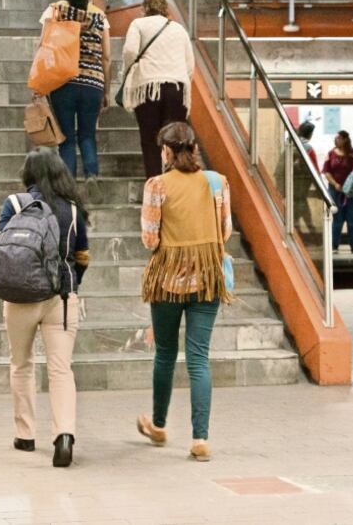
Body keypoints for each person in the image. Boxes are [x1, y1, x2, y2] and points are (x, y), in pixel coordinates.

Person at [136, 122, 232, 462]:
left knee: (165, 353)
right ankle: (200, 438)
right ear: (193, 148)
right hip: (207, 280)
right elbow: (225, 231)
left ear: (166, 151)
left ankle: (159, 426)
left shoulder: (157, 185)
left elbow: (150, 238)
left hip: (168, 282)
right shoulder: (218, 183)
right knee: (198, 358)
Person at [0, 148, 89, 468]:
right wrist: (72, 283)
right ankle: (64, 435)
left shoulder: (15, 204)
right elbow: (82, 256)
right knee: (61, 369)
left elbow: (0, 247)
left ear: (28, 174)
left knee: (21, 364)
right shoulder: (73, 210)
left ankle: (26, 434)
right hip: (60, 298)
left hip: (19, 297)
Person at [39, 0, 111, 203]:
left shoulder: (55, 11)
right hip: (92, 84)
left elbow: (43, 46)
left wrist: (41, 83)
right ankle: (91, 175)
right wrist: (106, 90)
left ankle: (68, 186)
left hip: (63, 82)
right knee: (87, 134)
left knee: (66, 138)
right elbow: (106, 56)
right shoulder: (99, 15)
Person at [121, 0, 195, 179]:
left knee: (149, 139)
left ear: (144, 9)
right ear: (165, 9)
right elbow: (190, 64)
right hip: (176, 88)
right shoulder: (179, 29)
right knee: (175, 140)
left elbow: (130, 50)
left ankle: (154, 184)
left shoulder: (138, 24)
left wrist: (131, 69)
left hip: (147, 87)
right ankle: (178, 182)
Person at [321, 130, 353, 255]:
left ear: (345, 140)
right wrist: (335, 184)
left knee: (352, 219)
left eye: (338, 138)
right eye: (336, 138)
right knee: (337, 219)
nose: (336, 140)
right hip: (336, 191)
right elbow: (326, 171)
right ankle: (334, 246)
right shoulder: (331, 154)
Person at [292, 122, 320, 234]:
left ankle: (300, 227)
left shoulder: (293, 144)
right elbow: (315, 169)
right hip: (303, 180)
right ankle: (309, 229)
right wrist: (319, 186)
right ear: (310, 134)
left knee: (299, 202)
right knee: (301, 202)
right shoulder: (308, 148)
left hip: (293, 180)